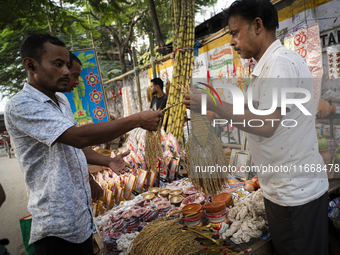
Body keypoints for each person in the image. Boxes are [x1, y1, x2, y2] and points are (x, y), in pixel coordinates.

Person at [183, 0, 328, 254]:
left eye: (235, 32)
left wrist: (215, 104)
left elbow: (267, 123)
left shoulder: (279, 65)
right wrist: (216, 109)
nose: (231, 41)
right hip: (283, 192)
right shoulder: (268, 66)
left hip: (294, 196)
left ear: (258, 25)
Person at [4, 33, 163, 255]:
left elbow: (72, 146)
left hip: (81, 219)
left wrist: (105, 163)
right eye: (58, 64)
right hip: (56, 229)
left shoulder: (60, 100)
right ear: (31, 65)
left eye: (66, 65)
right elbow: (77, 137)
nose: (66, 72)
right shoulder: (21, 105)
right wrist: (136, 119)